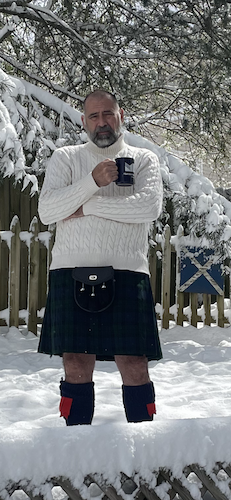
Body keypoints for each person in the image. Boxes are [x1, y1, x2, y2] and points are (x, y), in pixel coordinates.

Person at [38, 89, 163, 425]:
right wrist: (92, 181)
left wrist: (87, 206)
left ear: (120, 115)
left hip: (129, 272)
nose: (102, 122)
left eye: (108, 114)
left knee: (135, 364)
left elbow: (147, 207)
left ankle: (146, 455)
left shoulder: (143, 159)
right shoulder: (66, 158)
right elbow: (49, 210)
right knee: (75, 364)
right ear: (84, 121)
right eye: (93, 116)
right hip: (70, 271)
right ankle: (76, 448)